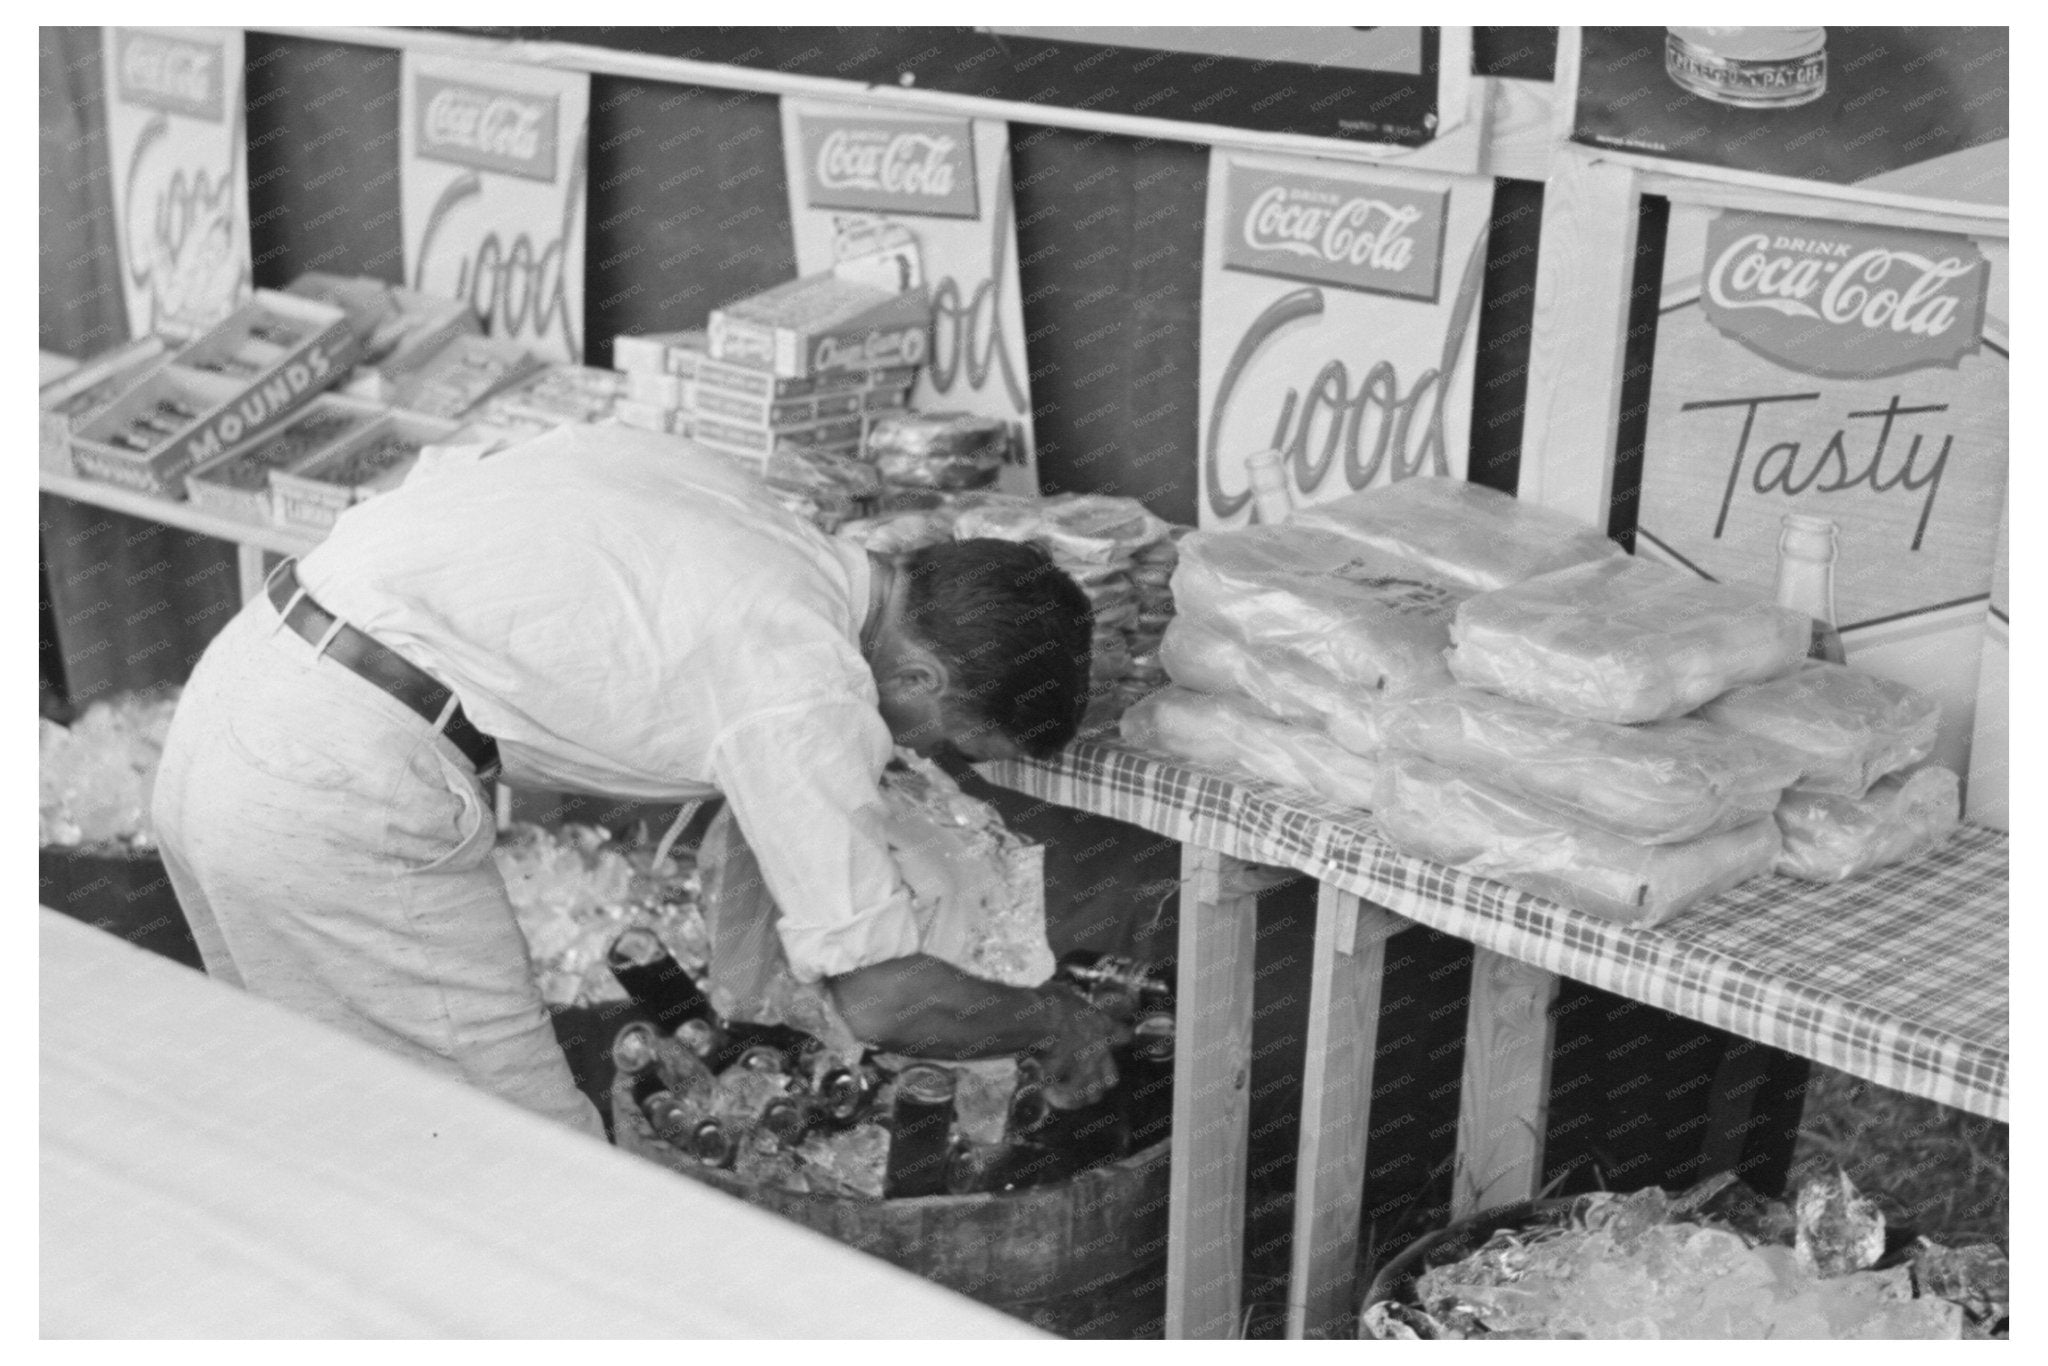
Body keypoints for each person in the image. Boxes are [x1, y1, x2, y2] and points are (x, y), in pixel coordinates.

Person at [151, 425, 1127, 1140]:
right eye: (942, 739)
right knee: (532, 1172)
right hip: (330, 782)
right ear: (920, 675)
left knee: (328, 1124)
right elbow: (880, 998)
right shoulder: (804, 681)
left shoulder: (747, 515)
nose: (917, 757)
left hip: (246, 686)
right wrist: (1051, 1017)